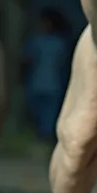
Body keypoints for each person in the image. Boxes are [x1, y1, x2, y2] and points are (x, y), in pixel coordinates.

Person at [22, 8, 73, 142]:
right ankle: (41, 137)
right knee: (38, 113)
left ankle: (45, 139)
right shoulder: (38, 41)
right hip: (39, 83)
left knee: (48, 116)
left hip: (50, 84)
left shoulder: (56, 43)